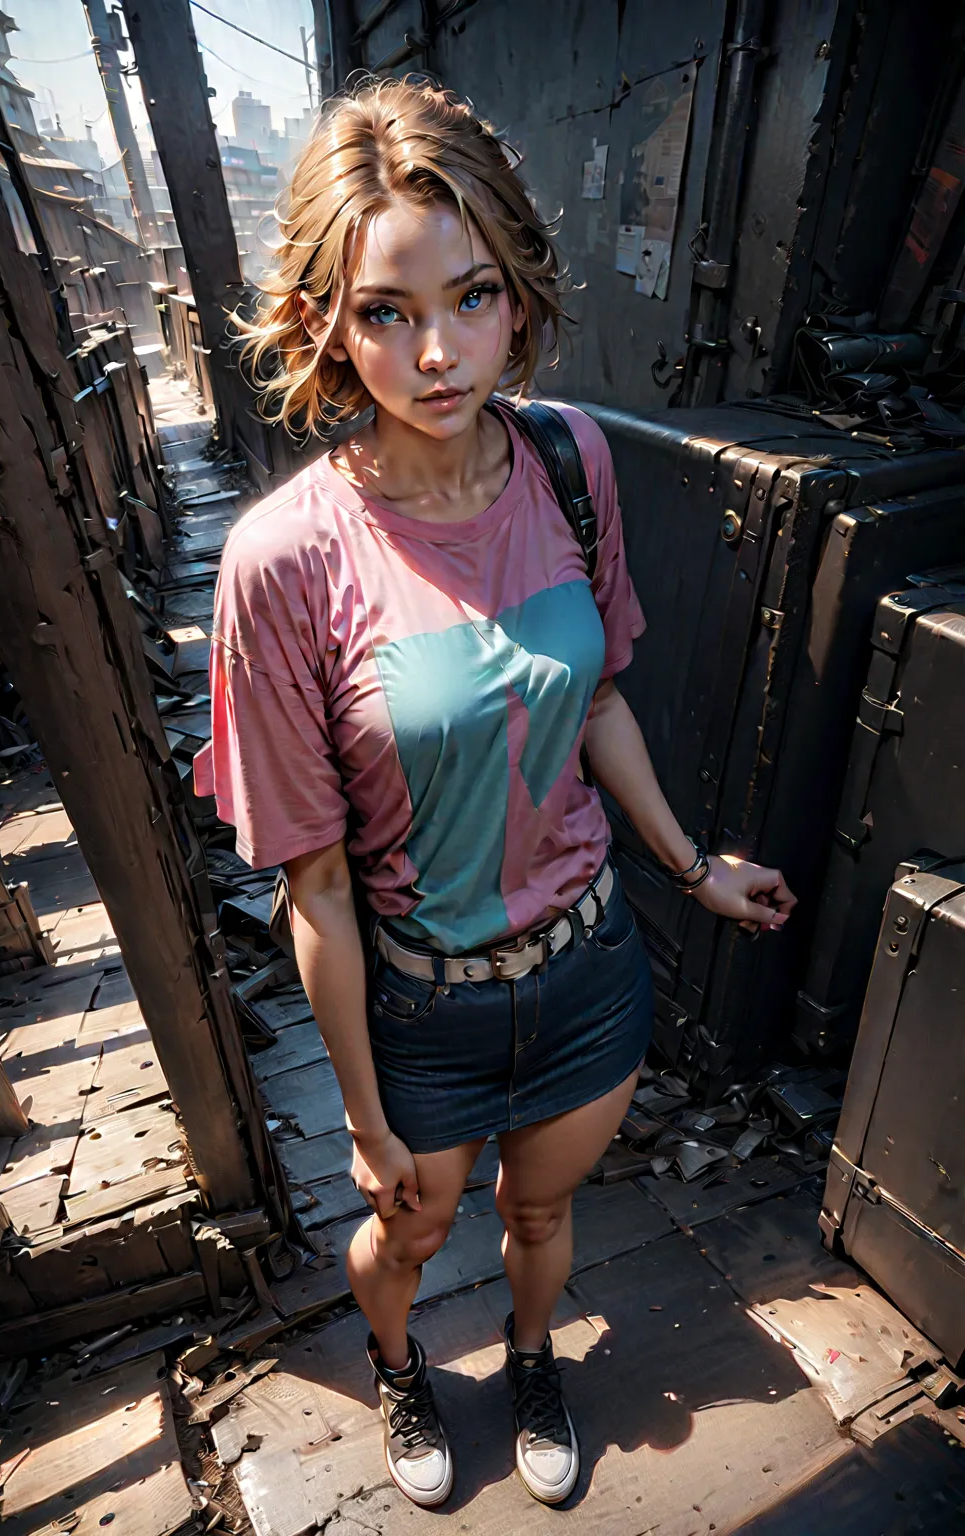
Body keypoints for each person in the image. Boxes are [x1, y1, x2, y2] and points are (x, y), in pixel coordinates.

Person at [199, 76, 796, 1510]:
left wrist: (686, 865)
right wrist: (360, 1115)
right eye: (387, 313)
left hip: (589, 966)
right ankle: (405, 1372)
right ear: (330, 330)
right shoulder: (282, 564)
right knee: (405, 1239)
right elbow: (318, 884)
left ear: (519, 292)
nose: (437, 352)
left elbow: (592, 697)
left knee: (542, 1212)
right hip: (418, 1009)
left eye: (471, 298)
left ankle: (534, 1364)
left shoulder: (570, 462)